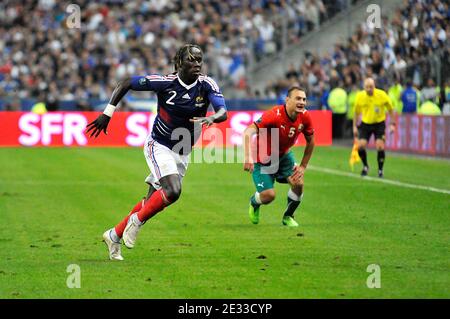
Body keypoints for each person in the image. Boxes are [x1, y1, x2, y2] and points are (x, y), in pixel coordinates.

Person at [86, 44, 228, 261]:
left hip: (182, 151)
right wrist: (108, 113)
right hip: (159, 145)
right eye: (192, 60)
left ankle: (114, 235)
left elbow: (223, 111)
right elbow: (126, 83)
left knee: (153, 201)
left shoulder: (206, 85)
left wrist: (213, 117)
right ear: (180, 62)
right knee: (173, 191)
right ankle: (136, 222)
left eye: (200, 60)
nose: (197, 64)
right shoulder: (165, 83)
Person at [243, 86, 315, 227]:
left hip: (284, 156)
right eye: (298, 98)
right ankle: (254, 202)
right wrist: (247, 157)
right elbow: (248, 131)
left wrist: (303, 166)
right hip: (262, 159)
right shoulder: (274, 115)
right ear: (287, 100)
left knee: (298, 184)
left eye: (304, 99)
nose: (302, 102)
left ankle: (288, 216)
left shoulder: (305, 116)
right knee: (269, 196)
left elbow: (311, 141)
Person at [353, 78, 395, 178]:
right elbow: (356, 112)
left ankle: (380, 170)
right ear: (364, 87)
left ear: (374, 86)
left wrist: (393, 124)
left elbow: (390, 109)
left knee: (380, 146)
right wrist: (354, 126)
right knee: (361, 146)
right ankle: (365, 166)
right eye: (367, 87)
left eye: (371, 87)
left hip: (379, 124)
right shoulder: (360, 96)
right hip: (365, 124)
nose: (369, 89)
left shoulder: (382, 95)